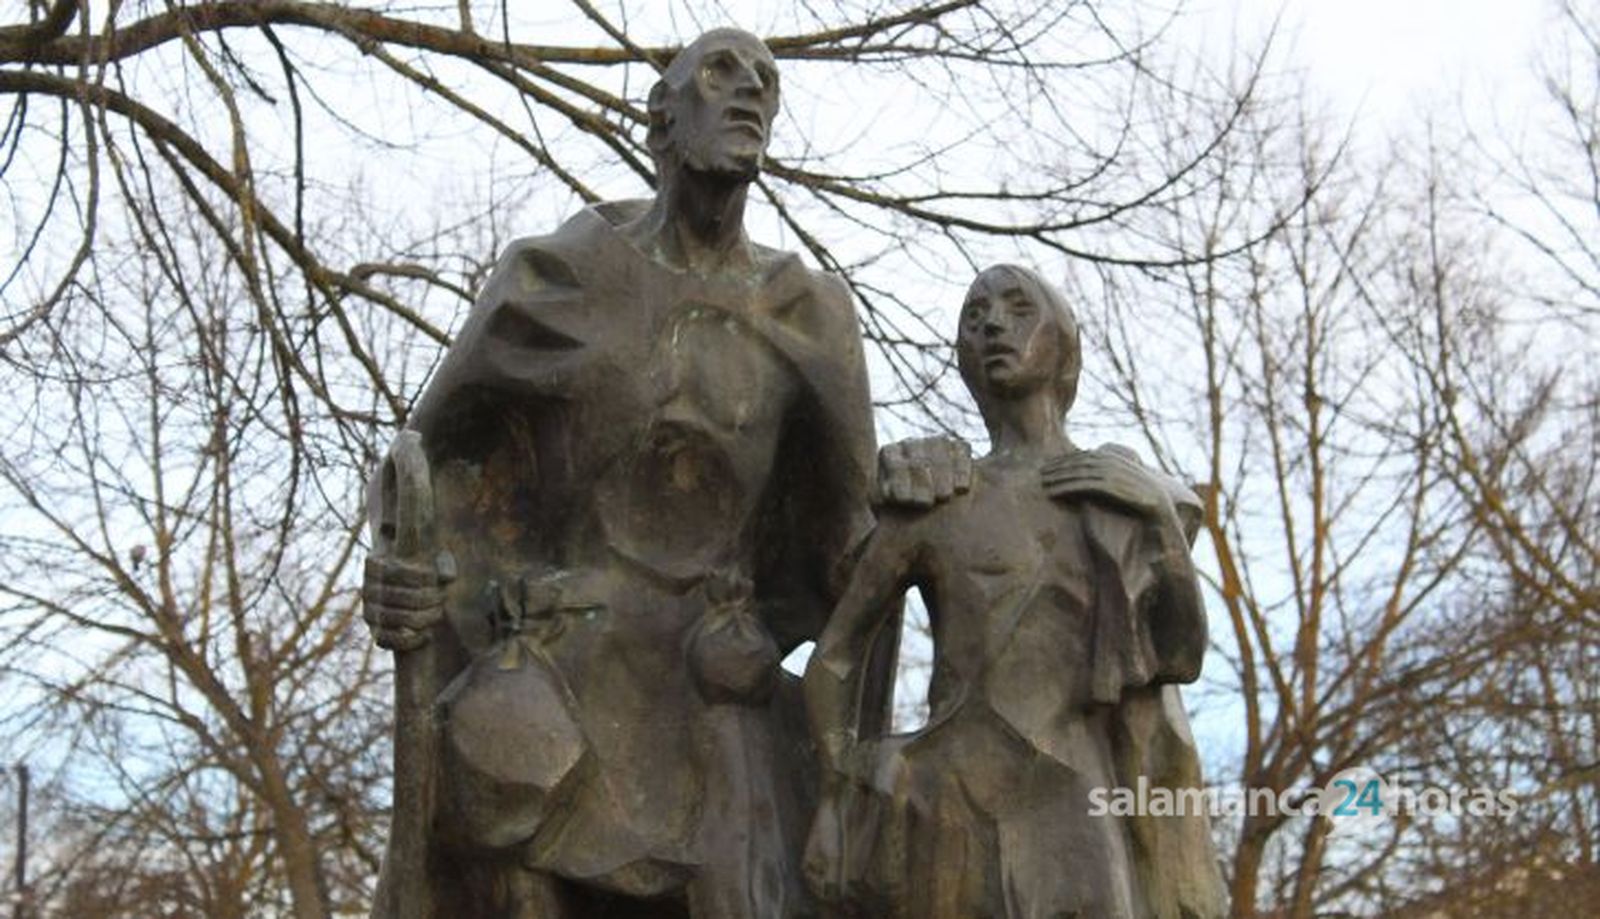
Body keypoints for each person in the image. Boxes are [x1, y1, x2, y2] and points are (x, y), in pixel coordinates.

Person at [360, 28, 936, 918]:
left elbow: (848, 552)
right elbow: (423, 474)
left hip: (719, 687)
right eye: (720, 72)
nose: (749, 91)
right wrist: (406, 577)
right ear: (661, 117)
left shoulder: (809, 314)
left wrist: (917, 496)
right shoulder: (556, 279)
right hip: (558, 669)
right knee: (497, 805)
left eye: (766, 81)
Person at [804, 264, 1228, 919]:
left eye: (1018, 309)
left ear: (1064, 343)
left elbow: (1180, 656)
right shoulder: (939, 499)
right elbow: (836, 656)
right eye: (975, 318)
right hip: (947, 799)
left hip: (1077, 799)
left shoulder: (1116, 496)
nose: (994, 325)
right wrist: (839, 793)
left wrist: (1159, 520)